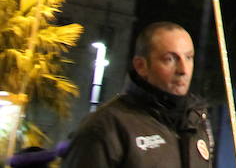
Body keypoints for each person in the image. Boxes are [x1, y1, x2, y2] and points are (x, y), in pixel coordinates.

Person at [64, 21, 212, 167]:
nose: (183, 70)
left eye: (188, 57)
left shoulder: (196, 121)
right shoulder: (106, 126)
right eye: (170, 59)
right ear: (141, 66)